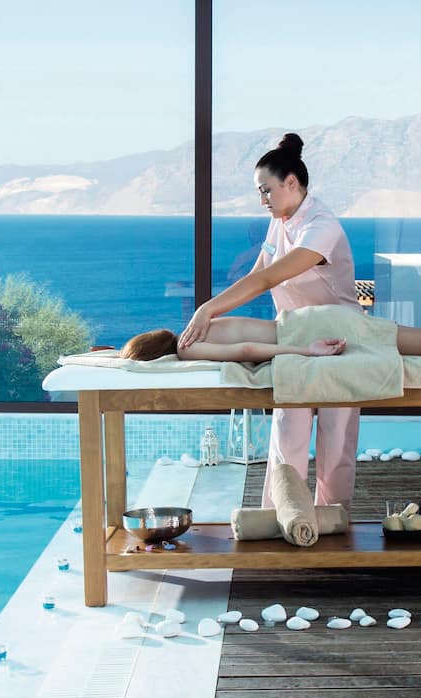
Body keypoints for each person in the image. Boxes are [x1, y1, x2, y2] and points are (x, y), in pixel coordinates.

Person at [176, 132, 361, 511]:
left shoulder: (322, 226)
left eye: (266, 191)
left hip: (340, 336)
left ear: (291, 183)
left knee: (336, 440)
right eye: (259, 192)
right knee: (287, 435)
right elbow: (258, 275)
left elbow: (268, 279)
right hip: (296, 335)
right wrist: (215, 313)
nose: (262, 200)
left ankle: (332, 519)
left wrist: (207, 309)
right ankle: (280, 515)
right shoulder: (280, 220)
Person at [120, 307, 421, 364]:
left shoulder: (190, 348)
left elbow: (248, 349)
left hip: (316, 329)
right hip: (315, 317)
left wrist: (304, 350)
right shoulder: (195, 326)